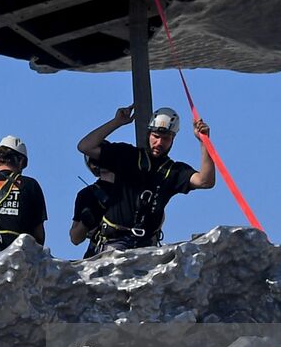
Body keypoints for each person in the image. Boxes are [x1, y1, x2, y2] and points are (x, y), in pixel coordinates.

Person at [76, 105, 215, 251]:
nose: (159, 143)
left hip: (146, 247)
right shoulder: (127, 156)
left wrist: (204, 142)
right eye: (156, 136)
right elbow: (85, 147)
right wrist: (117, 122)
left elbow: (205, 181)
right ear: (148, 134)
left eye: (166, 138)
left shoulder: (173, 171)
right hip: (115, 243)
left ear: (173, 138)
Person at [70, 155, 120, 257]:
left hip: (133, 249)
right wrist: (85, 221)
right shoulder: (87, 195)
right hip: (101, 252)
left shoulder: (133, 189)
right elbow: (75, 238)